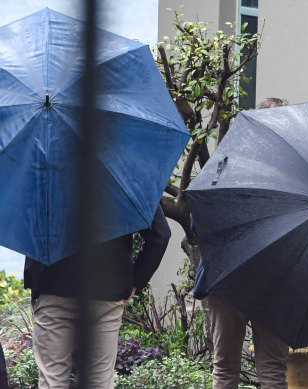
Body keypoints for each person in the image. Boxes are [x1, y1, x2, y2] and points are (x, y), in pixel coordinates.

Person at [192, 97, 290, 389]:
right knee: (273, 370)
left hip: (228, 275)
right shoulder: (295, 171)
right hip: (277, 279)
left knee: (224, 367)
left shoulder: (227, 163)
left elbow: (200, 223)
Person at [24, 205, 171, 389]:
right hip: (106, 289)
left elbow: (28, 226)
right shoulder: (129, 177)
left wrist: (35, 279)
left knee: (52, 380)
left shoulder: (46, 176)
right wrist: (135, 280)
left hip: (53, 283)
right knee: (100, 382)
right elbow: (161, 234)